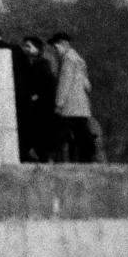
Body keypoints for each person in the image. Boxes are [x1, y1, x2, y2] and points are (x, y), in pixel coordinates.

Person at [50, 30, 94, 162]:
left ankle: (51, 156)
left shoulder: (68, 59)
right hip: (81, 104)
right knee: (82, 133)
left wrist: (59, 103)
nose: (55, 49)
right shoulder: (79, 59)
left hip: (69, 103)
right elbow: (87, 85)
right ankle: (90, 157)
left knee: (59, 131)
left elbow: (64, 82)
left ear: (63, 44)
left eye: (56, 46)